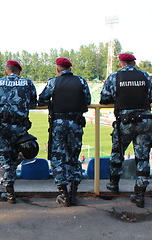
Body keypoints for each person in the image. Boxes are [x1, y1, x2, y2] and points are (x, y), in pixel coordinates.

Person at [100, 53, 152, 208]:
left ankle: (113, 186)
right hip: (145, 120)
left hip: (125, 121)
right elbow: (150, 97)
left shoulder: (115, 76)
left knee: (117, 153)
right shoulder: (144, 75)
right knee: (143, 158)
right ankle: (139, 194)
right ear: (134, 62)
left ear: (120, 63)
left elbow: (104, 98)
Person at [38, 58, 91, 207]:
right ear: (70, 68)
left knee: (58, 158)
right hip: (76, 123)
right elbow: (87, 99)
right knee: (74, 157)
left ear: (58, 69)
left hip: (59, 124)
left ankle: (64, 194)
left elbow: (42, 99)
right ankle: (73, 193)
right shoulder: (81, 81)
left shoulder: (53, 82)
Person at [0, 60, 37, 204]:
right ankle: (7, 191)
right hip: (20, 127)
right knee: (24, 153)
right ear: (19, 71)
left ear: (6, 71)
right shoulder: (27, 83)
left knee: (3, 158)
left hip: (3, 127)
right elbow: (33, 102)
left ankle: (2, 187)